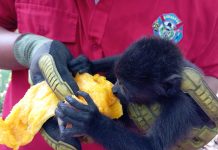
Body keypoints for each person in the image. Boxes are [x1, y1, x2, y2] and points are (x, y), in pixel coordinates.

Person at [0, 0, 218, 150]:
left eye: (124, 87)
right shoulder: (138, 65)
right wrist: (27, 48)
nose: (114, 89)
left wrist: (96, 124)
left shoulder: (179, 107)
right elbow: (121, 60)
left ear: (167, 88)